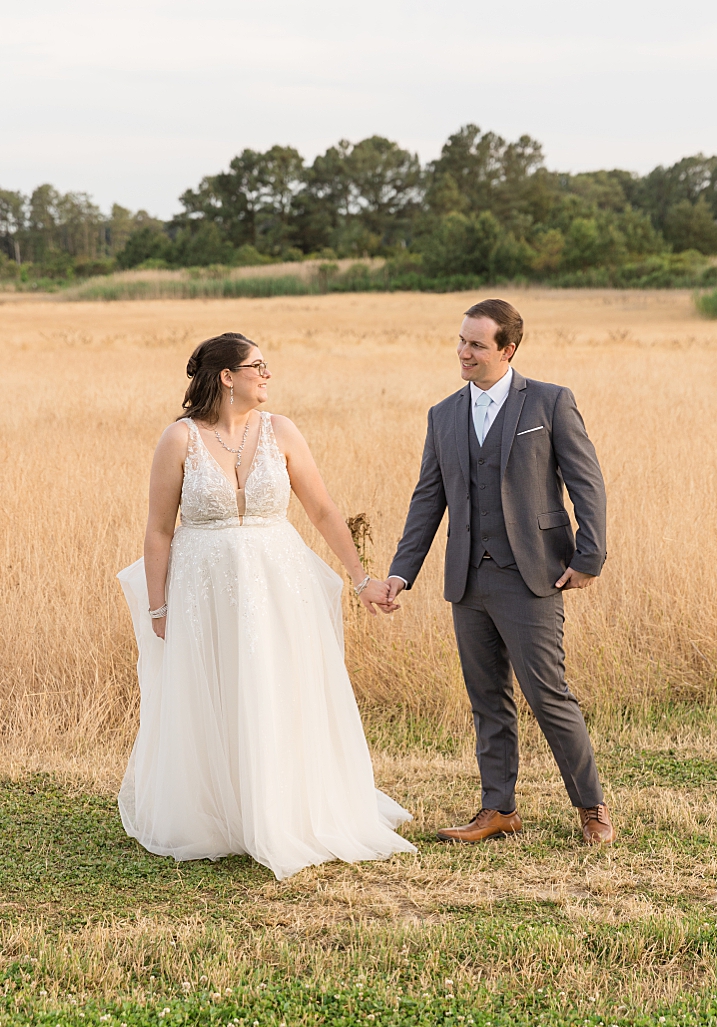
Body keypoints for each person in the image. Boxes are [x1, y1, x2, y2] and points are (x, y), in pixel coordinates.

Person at [117, 333, 416, 881]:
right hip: (204, 587)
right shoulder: (178, 439)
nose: (268, 375)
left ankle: (286, 809)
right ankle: (223, 814)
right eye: (258, 366)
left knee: (279, 686)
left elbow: (323, 509)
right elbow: (159, 531)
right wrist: (158, 608)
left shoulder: (282, 431)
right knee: (218, 690)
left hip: (279, 585)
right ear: (227, 376)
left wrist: (362, 578)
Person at [378, 299, 614, 845]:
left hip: (531, 576)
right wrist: (401, 573)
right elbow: (426, 501)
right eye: (461, 341)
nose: (464, 352)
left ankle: (592, 808)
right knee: (487, 699)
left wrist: (588, 557)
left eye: (477, 344)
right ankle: (498, 809)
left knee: (548, 694)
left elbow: (587, 483)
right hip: (467, 580)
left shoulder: (552, 402)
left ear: (507, 349)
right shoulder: (443, 415)